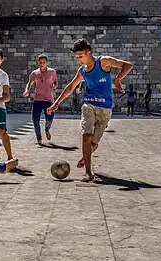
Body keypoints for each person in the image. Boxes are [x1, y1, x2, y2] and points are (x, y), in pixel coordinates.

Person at [47, 39, 132, 182]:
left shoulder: (103, 62)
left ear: (88, 52)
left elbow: (127, 65)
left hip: (105, 107)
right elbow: (71, 86)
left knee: (94, 143)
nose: (79, 59)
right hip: (89, 104)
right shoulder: (82, 71)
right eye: (77, 57)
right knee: (86, 136)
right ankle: (88, 172)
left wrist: (117, 79)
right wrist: (57, 103)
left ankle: (86, 156)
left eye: (81, 55)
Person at [23, 54, 58, 144]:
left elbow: (55, 82)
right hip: (38, 99)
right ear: (38, 62)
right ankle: (39, 138)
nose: (42, 64)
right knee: (35, 120)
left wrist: (54, 86)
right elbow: (29, 84)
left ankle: (47, 129)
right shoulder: (34, 73)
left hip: (49, 100)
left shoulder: (52, 72)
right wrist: (27, 91)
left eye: (44, 62)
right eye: (40, 62)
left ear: (47, 63)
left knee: (49, 118)